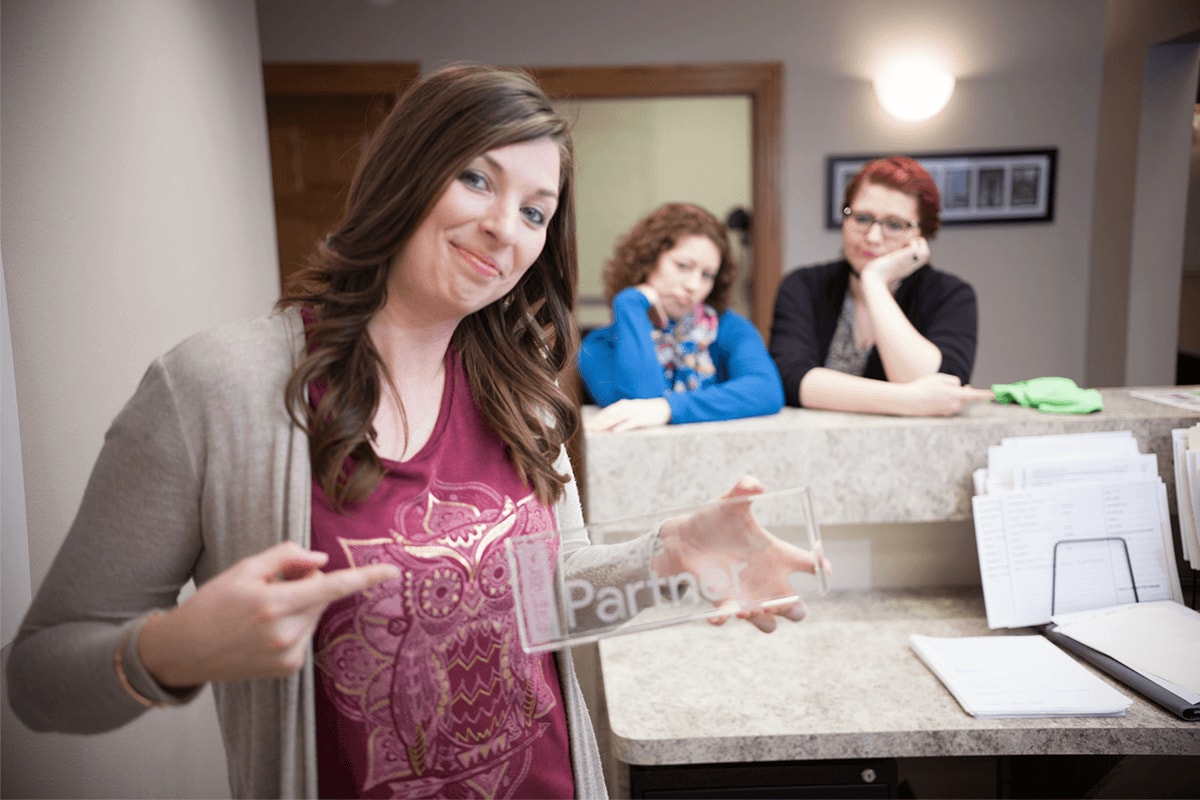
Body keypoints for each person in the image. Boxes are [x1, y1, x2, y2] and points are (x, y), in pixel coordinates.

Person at [7, 64, 822, 800]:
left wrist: (669, 563)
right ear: (406, 172)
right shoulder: (214, 390)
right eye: (476, 178)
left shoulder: (526, 397)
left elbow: (552, 602)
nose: (507, 228)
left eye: (536, 211)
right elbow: (39, 677)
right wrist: (172, 649)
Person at [769, 156, 993, 416]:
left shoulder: (952, 295)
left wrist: (874, 283)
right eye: (862, 218)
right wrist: (908, 401)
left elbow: (939, 383)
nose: (873, 237)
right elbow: (792, 378)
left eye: (894, 225)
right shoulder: (804, 286)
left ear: (921, 235)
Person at [578, 202, 784, 432]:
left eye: (707, 275)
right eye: (683, 266)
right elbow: (641, 402)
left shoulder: (728, 327)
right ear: (647, 260)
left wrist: (668, 408)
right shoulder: (599, 346)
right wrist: (630, 303)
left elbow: (766, 390)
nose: (694, 286)